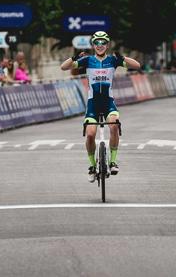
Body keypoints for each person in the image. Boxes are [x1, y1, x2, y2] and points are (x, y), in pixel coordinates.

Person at [60, 31, 140, 181]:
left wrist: (122, 58)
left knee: (114, 125)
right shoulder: (88, 60)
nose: (100, 45)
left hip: (108, 102)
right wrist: (74, 58)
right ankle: (92, 166)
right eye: (97, 42)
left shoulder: (112, 60)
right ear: (93, 45)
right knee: (90, 134)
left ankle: (113, 161)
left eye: (103, 42)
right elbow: (63, 68)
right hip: (93, 105)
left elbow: (137, 65)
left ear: (107, 45)